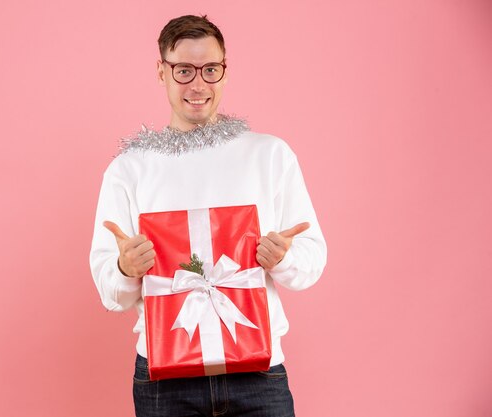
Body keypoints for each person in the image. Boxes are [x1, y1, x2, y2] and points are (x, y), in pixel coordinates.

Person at [90, 14, 327, 417]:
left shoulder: (269, 156)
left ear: (225, 72)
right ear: (161, 72)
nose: (198, 85)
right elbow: (110, 290)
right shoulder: (129, 169)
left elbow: (312, 260)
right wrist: (125, 267)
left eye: (210, 70)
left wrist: (284, 258)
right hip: (166, 382)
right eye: (184, 70)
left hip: (258, 375)